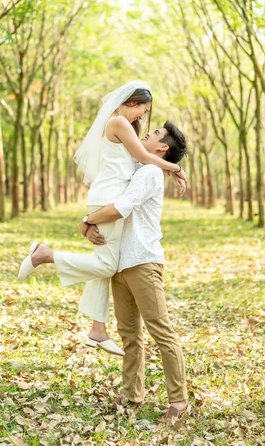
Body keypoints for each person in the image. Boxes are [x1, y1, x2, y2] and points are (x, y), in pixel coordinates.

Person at [18, 81, 187, 356]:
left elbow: (141, 160)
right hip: (109, 197)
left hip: (108, 195)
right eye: (142, 111)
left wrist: (165, 167)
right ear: (131, 102)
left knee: (105, 263)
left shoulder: (122, 124)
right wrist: (176, 168)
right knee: (107, 266)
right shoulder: (118, 121)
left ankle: (97, 330)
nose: (142, 118)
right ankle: (45, 255)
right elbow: (144, 155)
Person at [78, 121, 189, 422]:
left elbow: (122, 206)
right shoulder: (140, 168)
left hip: (142, 262)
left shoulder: (150, 172)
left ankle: (178, 401)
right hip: (119, 264)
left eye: (152, 135)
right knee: (129, 335)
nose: (144, 136)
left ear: (162, 147)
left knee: (161, 331)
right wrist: (176, 169)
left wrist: (87, 220)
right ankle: (131, 395)